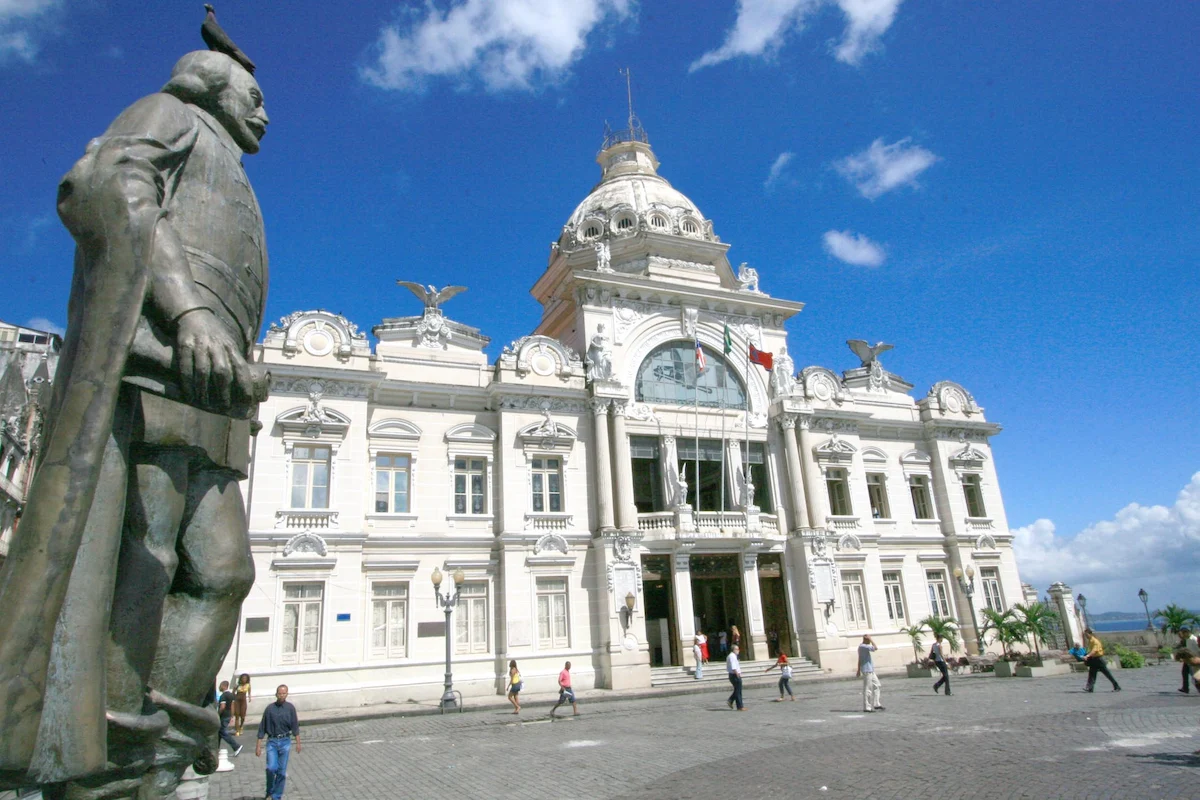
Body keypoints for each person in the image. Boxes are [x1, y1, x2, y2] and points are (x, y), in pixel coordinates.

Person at [0, 44, 271, 796]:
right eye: (252, 93)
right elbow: (112, 185)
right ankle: (115, 752)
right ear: (212, 86)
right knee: (142, 556)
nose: (266, 110)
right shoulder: (169, 116)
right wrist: (187, 311)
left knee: (223, 573)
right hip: (154, 369)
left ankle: (153, 746)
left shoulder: (227, 161)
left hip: (207, 391)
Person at [255, 685, 301, 800]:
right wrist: (258, 746)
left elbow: (295, 726)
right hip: (272, 741)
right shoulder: (270, 709)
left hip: (285, 741)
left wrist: (298, 743)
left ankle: (276, 796)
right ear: (276, 694)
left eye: (284, 693)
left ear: (287, 694)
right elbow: (262, 727)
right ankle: (269, 791)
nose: (282, 695)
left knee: (281, 771)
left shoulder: (290, 708)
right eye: (280, 693)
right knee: (271, 768)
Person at [857, 635, 884, 711]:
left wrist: (858, 670)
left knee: (877, 685)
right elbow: (875, 648)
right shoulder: (863, 646)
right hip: (866, 670)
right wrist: (871, 640)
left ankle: (876, 703)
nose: (869, 641)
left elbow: (859, 659)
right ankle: (867, 707)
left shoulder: (862, 646)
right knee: (867, 688)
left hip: (870, 669)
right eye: (868, 640)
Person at [217, 680, 242, 757]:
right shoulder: (231, 695)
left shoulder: (223, 696)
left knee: (222, 731)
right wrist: (231, 715)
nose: (219, 687)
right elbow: (232, 706)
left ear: (224, 686)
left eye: (220, 685)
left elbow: (222, 707)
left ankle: (236, 746)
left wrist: (217, 714)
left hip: (223, 716)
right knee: (218, 733)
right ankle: (215, 750)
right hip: (228, 715)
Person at [1175, 628, 1200, 693]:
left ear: (1186, 633)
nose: (1180, 636)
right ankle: (1185, 688)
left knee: (1195, 676)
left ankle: (1186, 688)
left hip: (1195, 660)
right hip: (1189, 659)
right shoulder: (1187, 640)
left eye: (1181, 634)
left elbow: (1198, 650)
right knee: (1186, 673)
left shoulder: (1194, 639)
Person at [726, 644, 745, 711]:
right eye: (737, 649)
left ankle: (731, 701)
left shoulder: (732, 656)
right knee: (738, 691)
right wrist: (737, 675)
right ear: (733, 650)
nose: (738, 650)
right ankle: (739, 706)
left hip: (733, 675)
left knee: (737, 690)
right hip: (734, 675)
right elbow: (734, 667)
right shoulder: (732, 656)